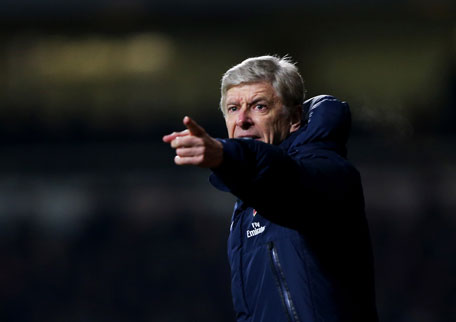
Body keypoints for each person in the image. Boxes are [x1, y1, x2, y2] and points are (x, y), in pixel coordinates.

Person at [163, 55, 378, 322]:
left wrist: (226, 155)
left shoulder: (329, 173)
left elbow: (289, 182)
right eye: (233, 109)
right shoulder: (246, 205)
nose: (242, 120)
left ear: (294, 117)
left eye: (259, 106)